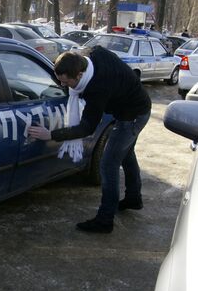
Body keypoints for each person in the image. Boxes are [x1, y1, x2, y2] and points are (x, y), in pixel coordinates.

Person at [28, 48, 151, 233]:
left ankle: (105, 220)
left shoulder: (97, 88)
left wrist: (51, 135)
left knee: (108, 164)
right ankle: (134, 198)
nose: (63, 86)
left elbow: (87, 127)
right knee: (126, 154)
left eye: (66, 81)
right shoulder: (94, 53)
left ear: (79, 74)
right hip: (132, 105)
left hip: (132, 115)